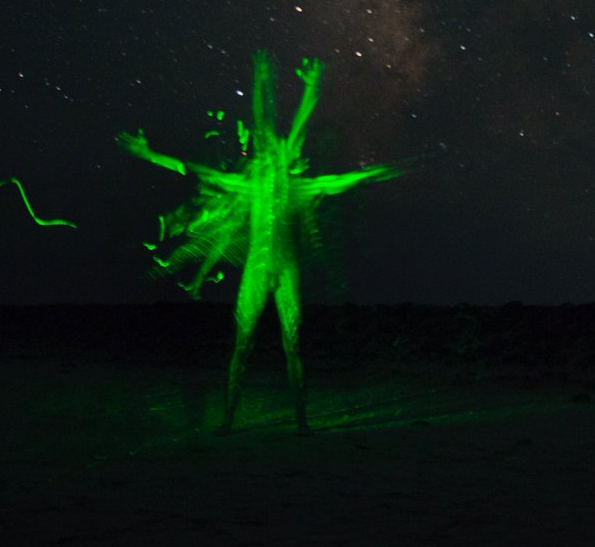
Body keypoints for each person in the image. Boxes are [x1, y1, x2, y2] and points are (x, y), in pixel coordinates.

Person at [119, 51, 401, 434]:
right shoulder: (251, 184)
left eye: (277, 151)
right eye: (268, 149)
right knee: (244, 345)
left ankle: (297, 424)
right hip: (262, 267)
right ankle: (233, 420)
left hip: (281, 268)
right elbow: (196, 165)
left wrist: (286, 83)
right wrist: (149, 153)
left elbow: (342, 175)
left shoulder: (293, 184)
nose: (273, 150)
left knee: (291, 344)